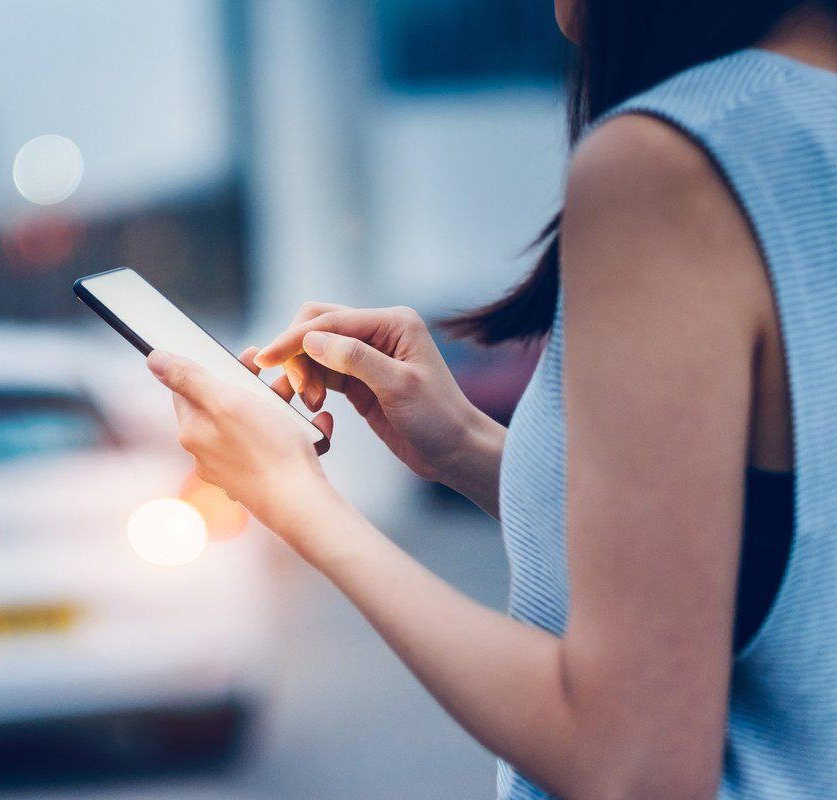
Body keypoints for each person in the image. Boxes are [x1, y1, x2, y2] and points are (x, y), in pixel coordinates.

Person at [145, 1, 837, 798]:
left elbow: (632, 765)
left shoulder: (674, 164)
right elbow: (766, 564)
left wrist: (301, 503)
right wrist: (465, 448)